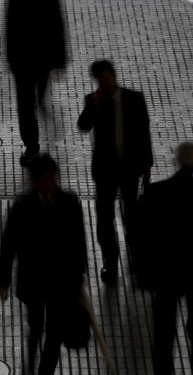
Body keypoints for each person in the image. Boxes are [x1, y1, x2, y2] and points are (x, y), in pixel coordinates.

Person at [132, 143, 193, 375]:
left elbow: (138, 231)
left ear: (176, 161)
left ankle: (164, 366)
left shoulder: (156, 192)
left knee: (164, 322)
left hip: (164, 268)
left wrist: (137, 266)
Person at [0, 154, 87, 375]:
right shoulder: (23, 205)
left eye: (50, 177)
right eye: (43, 178)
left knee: (54, 333)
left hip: (61, 283)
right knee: (36, 326)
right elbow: (9, 243)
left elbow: (78, 243)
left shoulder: (69, 202)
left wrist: (77, 278)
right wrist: (4, 279)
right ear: (34, 180)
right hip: (33, 280)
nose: (48, 183)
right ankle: (30, 364)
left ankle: (44, 371)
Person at [77, 59, 153, 285]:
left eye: (106, 79)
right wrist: (94, 105)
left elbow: (144, 131)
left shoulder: (134, 99)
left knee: (133, 216)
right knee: (104, 218)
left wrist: (147, 165)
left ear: (114, 75)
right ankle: (111, 262)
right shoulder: (94, 100)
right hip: (105, 170)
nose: (104, 83)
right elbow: (83, 126)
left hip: (130, 168)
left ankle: (137, 262)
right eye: (100, 81)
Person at [6, 0, 67, 165]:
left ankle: (34, 134)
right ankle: (31, 144)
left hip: (40, 63)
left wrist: (59, 61)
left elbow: (58, 30)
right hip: (25, 64)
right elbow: (10, 31)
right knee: (25, 105)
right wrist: (11, 60)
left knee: (31, 102)